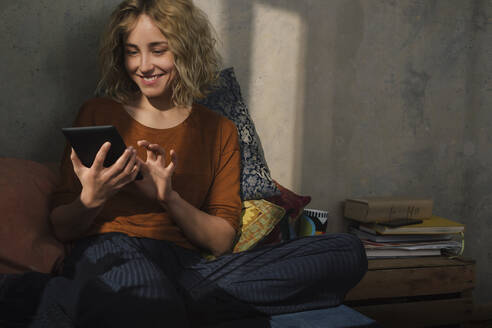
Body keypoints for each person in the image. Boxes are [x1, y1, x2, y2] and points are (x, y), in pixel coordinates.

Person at [2, 0, 368, 327]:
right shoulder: (98, 112)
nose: (143, 66)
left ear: (185, 49)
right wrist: (93, 198)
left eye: (157, 50)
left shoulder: (219, 131)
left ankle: (80, 299)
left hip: (188, 265)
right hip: (111, 249)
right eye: (132, 52)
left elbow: (222, 241)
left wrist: (168, 197)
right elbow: (62, 229)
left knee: (344, 253)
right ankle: (135, 300)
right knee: (145, 294)